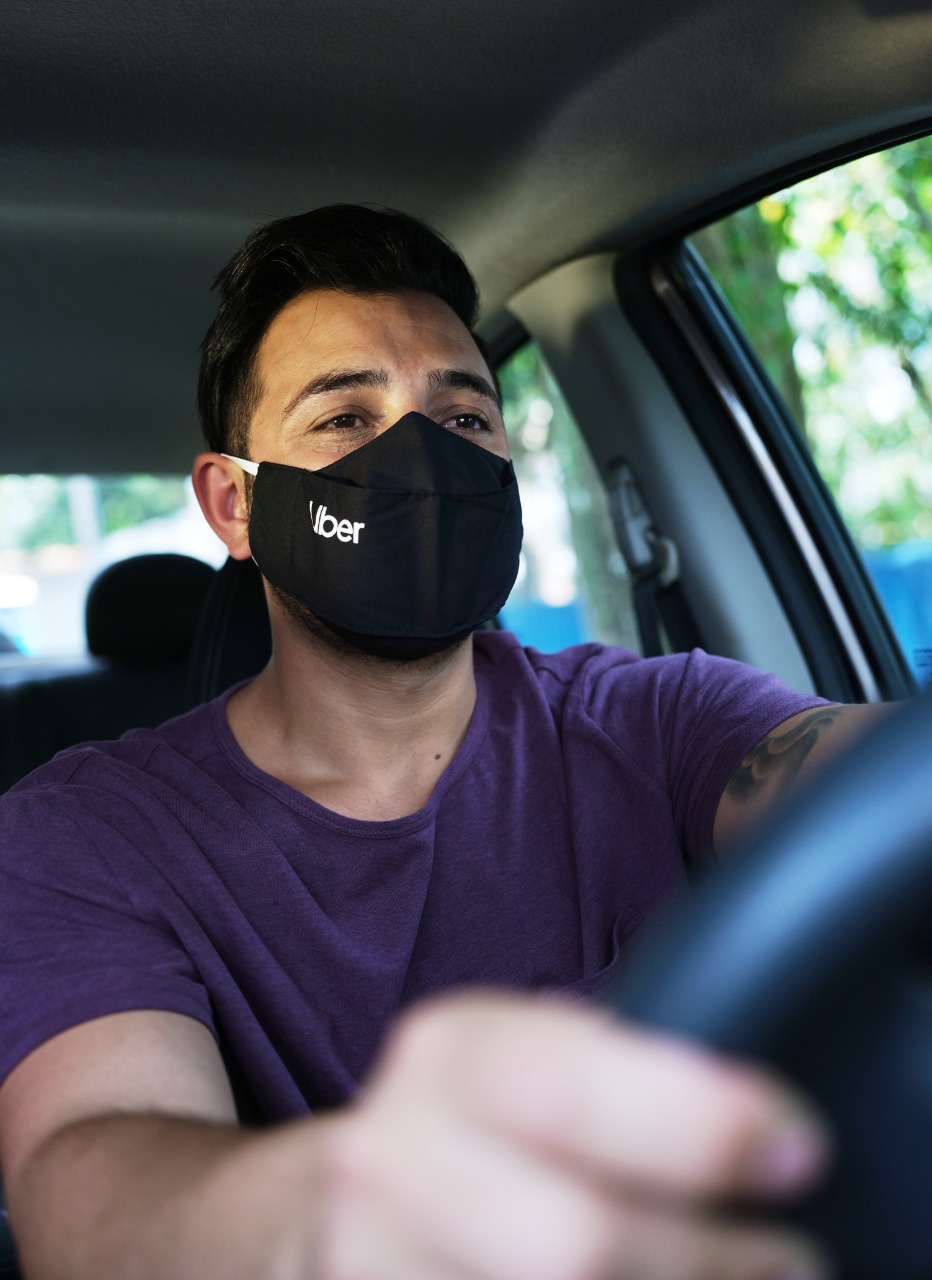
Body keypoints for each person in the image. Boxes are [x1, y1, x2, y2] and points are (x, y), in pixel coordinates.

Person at [0, 205, 879, 1280]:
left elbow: (864, 784)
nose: (420, 457)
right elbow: (95, 1180)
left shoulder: (659, 720)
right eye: (344, 418)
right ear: (234, 505)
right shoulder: (86, 835)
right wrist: (329, 1223)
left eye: (464, 417)